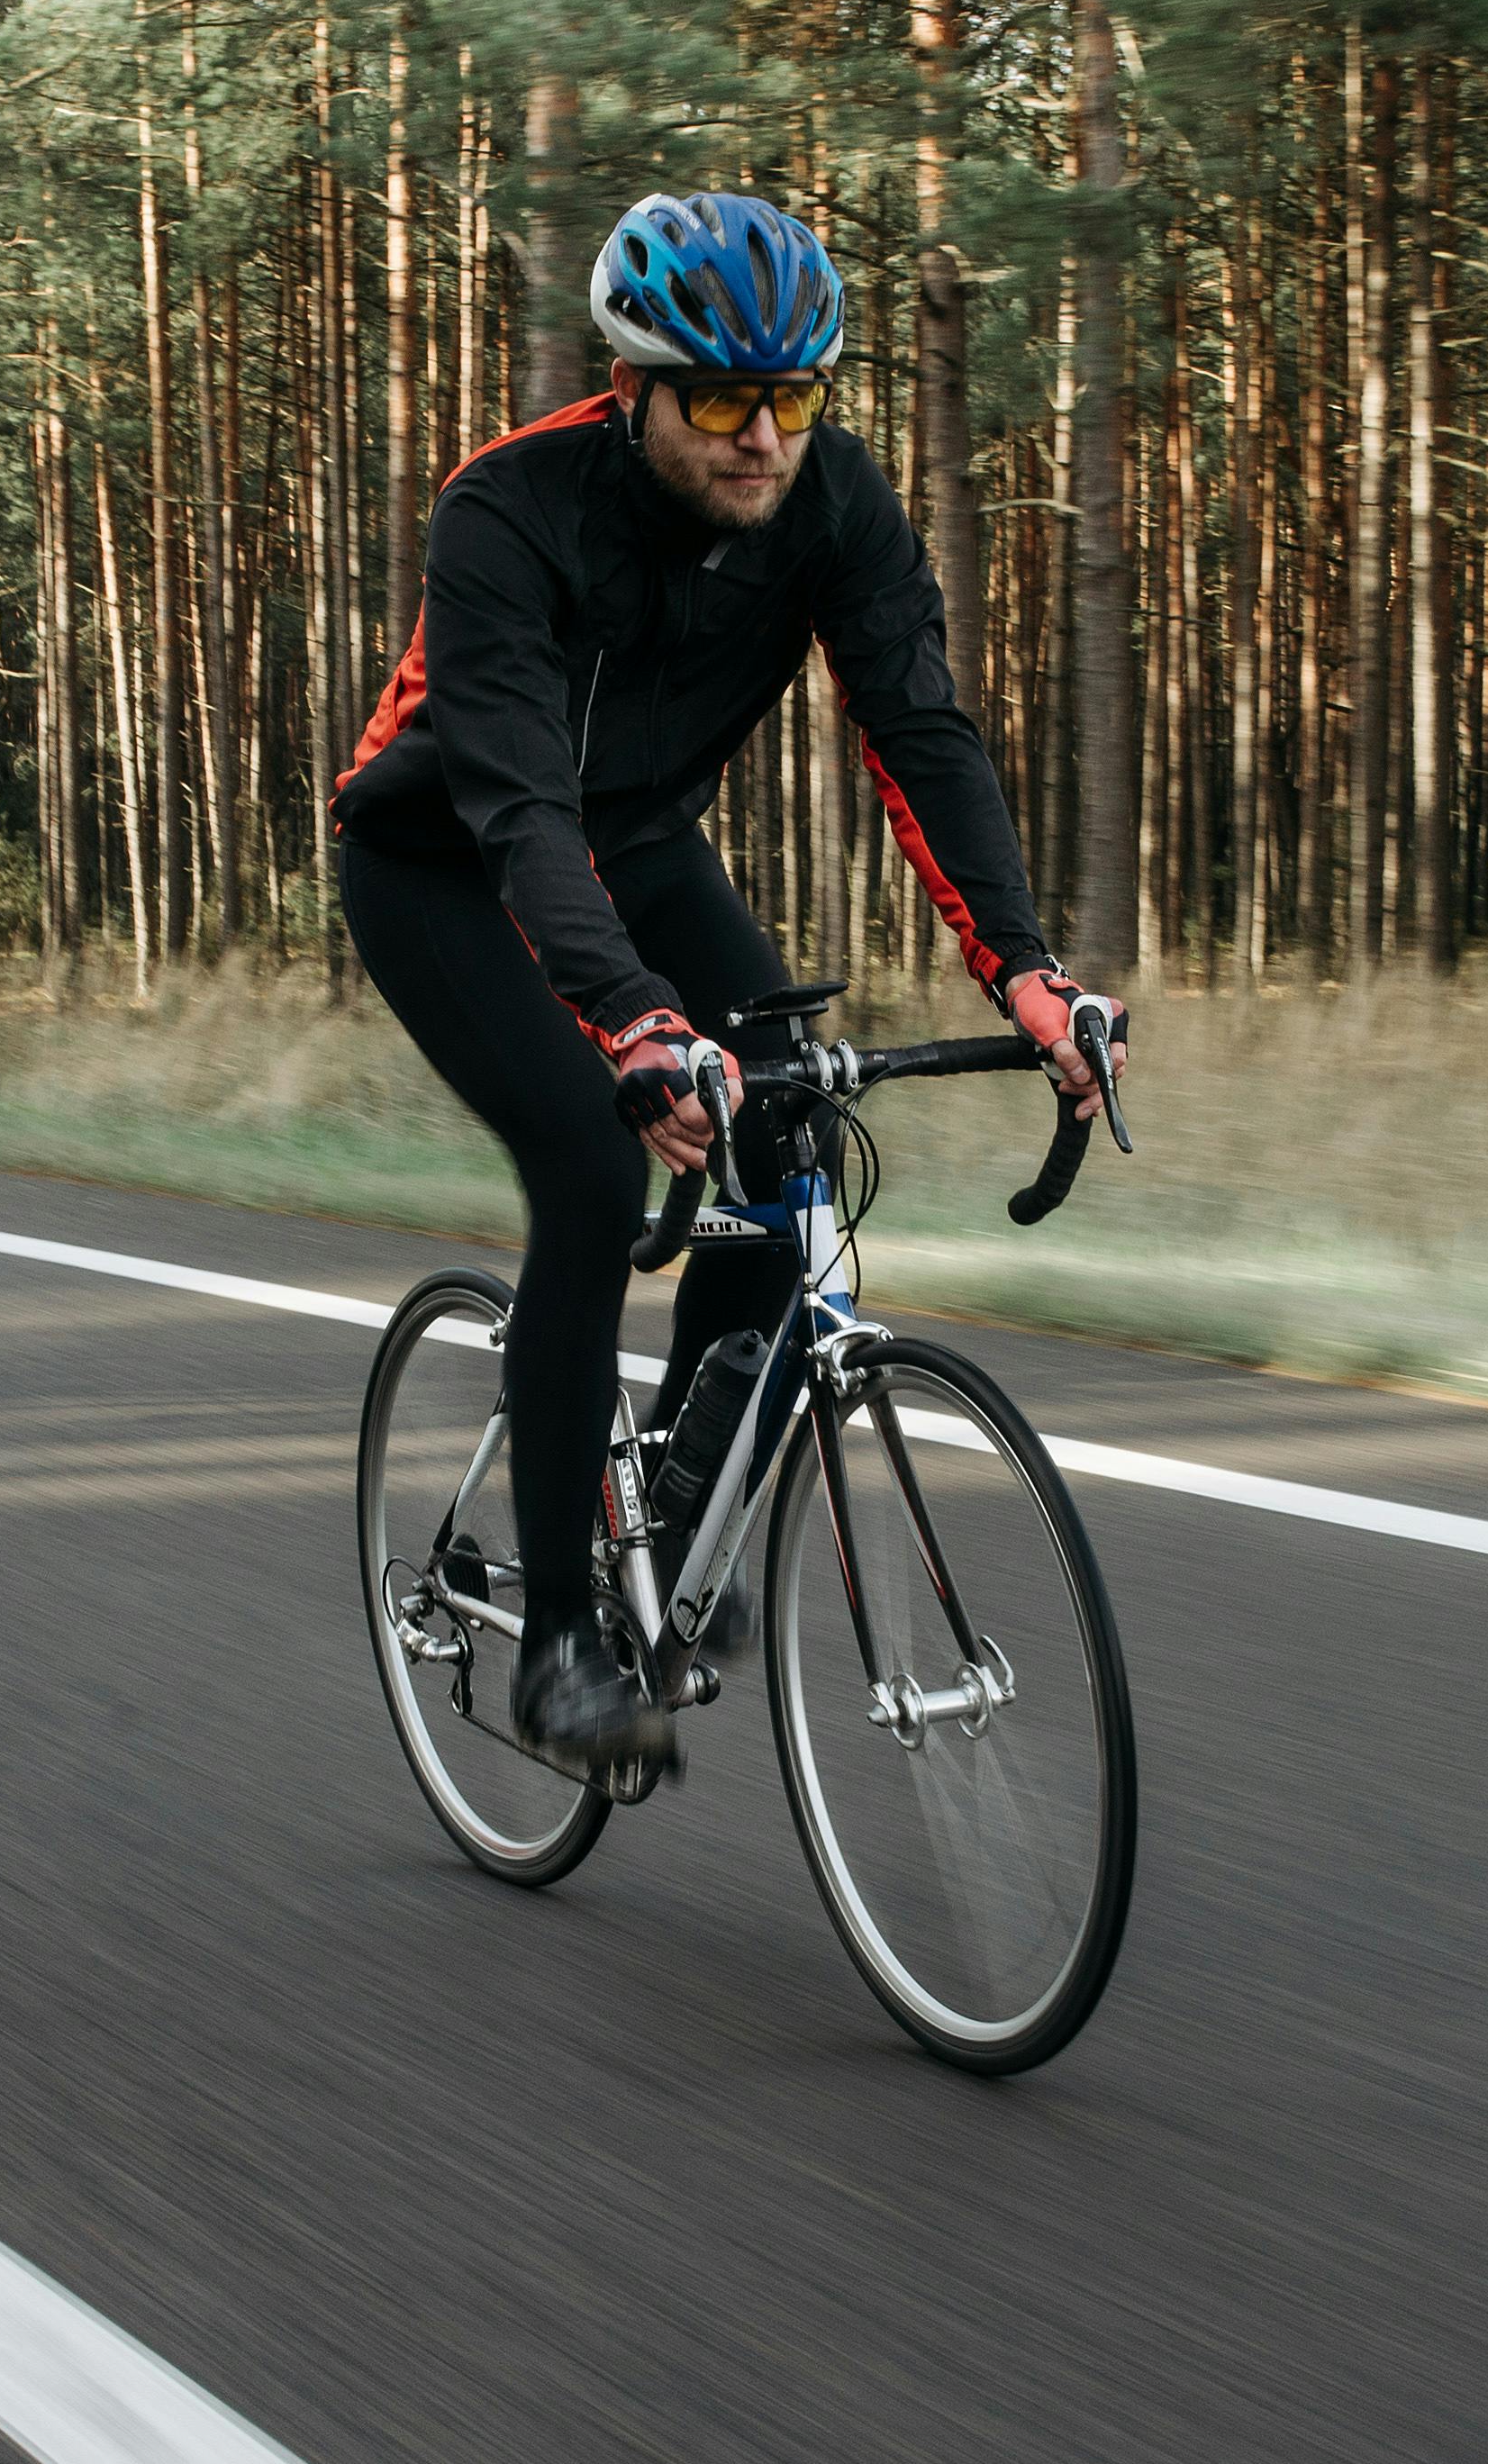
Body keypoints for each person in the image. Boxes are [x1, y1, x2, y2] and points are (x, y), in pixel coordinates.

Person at [334, 189, 1121, 1779]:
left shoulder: (831, 502)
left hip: (629, 845)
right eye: (717, 400)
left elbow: (918, 735)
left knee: (797, 1131)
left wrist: (1027, 975)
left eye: (791, 398)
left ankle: (678, 1515)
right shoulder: (507, 507)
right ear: (628, 387)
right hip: (442, 858)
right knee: (583, 1154)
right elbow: (510, 801)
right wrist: (630, 1021)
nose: (759, 438)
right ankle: (560, 1642)